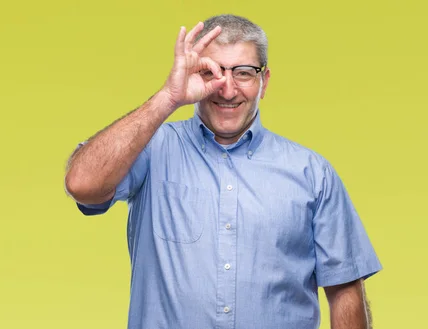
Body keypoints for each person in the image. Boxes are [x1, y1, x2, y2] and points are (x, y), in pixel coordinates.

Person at [64, 14, 382, 329]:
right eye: (211, 72)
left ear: (264, 81)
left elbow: (345, 290)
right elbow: (81, 184)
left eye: (243, 73)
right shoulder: (151, 149)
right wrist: (168, 97)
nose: (227, 90)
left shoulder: (312, 174)